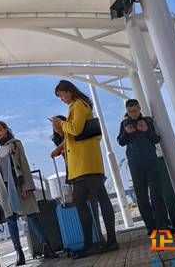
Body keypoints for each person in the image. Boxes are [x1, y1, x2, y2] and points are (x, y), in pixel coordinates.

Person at [50, 80, 118, 258]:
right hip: (81, 166)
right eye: (60, 97)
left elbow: (77, 129)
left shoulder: (79, 105)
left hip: (85, 165)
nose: (62, 99)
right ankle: (95, 242)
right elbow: (74, 136)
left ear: (70, 91)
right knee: (85, 203)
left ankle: (107, 241)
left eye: (63, 95)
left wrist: (61, 124)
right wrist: (59, 148)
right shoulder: (77, 106)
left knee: (96, 200)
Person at [0, 121, 57, 265]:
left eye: (0, 129)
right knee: (11, 221)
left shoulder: (16, 144)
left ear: (6, 130)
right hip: (4, 190)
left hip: (19, 185)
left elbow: (24, 165)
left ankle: (46, 246)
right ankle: (19, 253)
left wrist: (27, 187)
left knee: (32, 216)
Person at [117, 99, 170, 235]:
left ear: (139, 108)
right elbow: (120, 142)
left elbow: (156, 139)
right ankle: (151, 228)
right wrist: (127, 133)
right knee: (141, 196)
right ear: (127, 111)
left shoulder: (147, 121)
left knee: (156, 194)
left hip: (151, 161)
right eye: (130, 111)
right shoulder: (124, 123)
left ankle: (163, 226)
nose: (133, 114)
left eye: (135, 110)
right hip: (135, 163)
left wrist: (146, 130)